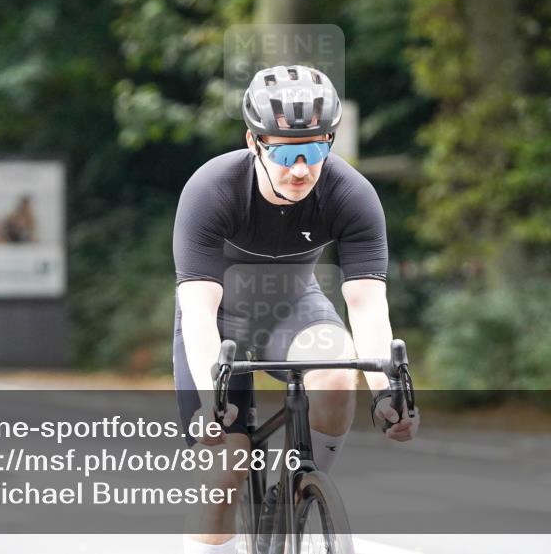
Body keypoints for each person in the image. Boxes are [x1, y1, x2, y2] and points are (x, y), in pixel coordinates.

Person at [173, 64, 419, 554]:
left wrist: (386, 393)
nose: (302, 169)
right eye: (287, 153)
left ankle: (301, 493)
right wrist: (210, 400)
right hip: (220, 322)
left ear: (331, 141)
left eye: (316, 150)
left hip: (295, 310)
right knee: (229, 469)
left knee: (334, 371)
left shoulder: (351, 194)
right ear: (254, 141)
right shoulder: (211, 189)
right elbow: (199, 310)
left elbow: (367, 306)